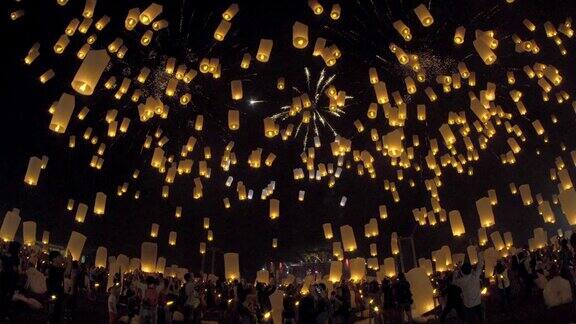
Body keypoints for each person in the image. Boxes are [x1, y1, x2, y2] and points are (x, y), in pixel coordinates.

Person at [453, 256, 484, 324]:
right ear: (471, 269)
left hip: (468, 304)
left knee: (471, 319)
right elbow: (480, 264)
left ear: (462, 272)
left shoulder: (461, 281)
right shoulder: (476, 276)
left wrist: (456, 270)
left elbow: (454, 281)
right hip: (478, 302)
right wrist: (478, 251)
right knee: (479, 316)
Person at [47, 251, 66, 324]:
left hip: (59, 293)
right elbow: (66, 272)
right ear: (54, 259)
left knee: (58, 313)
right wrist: (69, 262)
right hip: (54, 293)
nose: (61, 258)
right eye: (59, 257)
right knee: (53, 314)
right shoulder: (52, 269)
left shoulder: (58, 268)